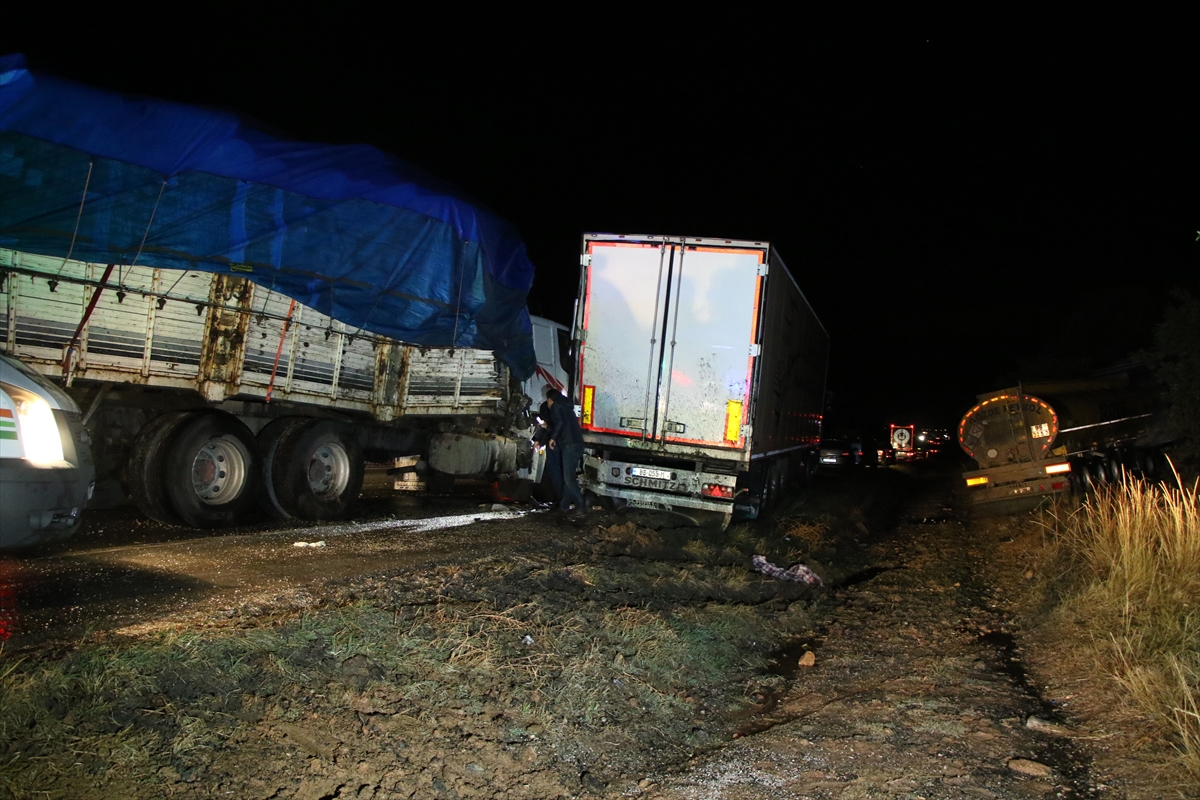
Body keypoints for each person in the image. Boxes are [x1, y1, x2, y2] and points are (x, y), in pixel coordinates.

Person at [545, 388, 585, 516]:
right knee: (570, 476)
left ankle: (581, 506)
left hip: (570, 445)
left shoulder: (556, 407)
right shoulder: (567, 407)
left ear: (550, 400)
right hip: (578, 443)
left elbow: (560, 423)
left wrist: (553, 438)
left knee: (568, 478)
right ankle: (563, 505)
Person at [533, 398, 562, 504]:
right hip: (558, 444)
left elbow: (550, 427)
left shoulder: (555, 410)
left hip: (555, 444)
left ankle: (558, 499)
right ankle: (557, 499)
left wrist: (540, 440)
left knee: (554, 472)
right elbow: (544, 425)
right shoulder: (559, 409)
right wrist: (538, 439)